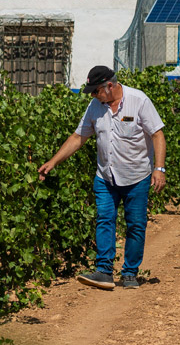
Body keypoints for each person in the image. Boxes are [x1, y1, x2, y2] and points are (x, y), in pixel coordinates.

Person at [38, 66, 166, 290]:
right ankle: (104, 271)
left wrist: (159, 169)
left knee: (135, 225)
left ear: (109, 86)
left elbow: (157, 134)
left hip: (136, 177)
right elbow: (79, 137)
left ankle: (129, 273)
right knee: (105, 219)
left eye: (96, 91)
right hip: (106, 177)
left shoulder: (139, 100)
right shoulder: (95, 106)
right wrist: (53, 161)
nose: (93, 96)